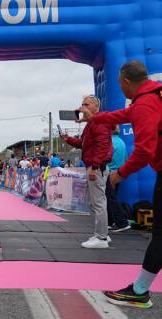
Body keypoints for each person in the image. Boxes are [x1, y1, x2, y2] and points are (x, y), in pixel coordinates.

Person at [79, 61, 162, 309]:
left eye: (119, 84)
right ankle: (139, 289)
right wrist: (96, 118)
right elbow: (123, 115)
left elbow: (145, 150)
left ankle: (139, 291)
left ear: (125, 82)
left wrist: (120, 174)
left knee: (159, 236)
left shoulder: (145, 104)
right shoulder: (153, 95)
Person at [61, 95, 113, 249]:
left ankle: (102, 237)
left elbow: (102, 147)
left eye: (86, 104)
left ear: (96, 107)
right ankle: (101, 234)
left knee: (98, 203)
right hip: (93, 166)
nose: (82, 107)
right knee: (95, 202)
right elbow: (84, 144)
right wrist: (68, 139)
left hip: (96, 167)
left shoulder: (99, 123)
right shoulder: (91, 124)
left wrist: (95, 167)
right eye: (82, 104)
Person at [106, 126, 130, 232]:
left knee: (110, 199)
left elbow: (106, 158)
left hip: (109, 173)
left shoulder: (109, 142)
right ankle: (110, 222)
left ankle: (122, 222)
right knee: (112, 198)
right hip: (119, 173)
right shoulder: (122, 142)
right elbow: (126, 159)